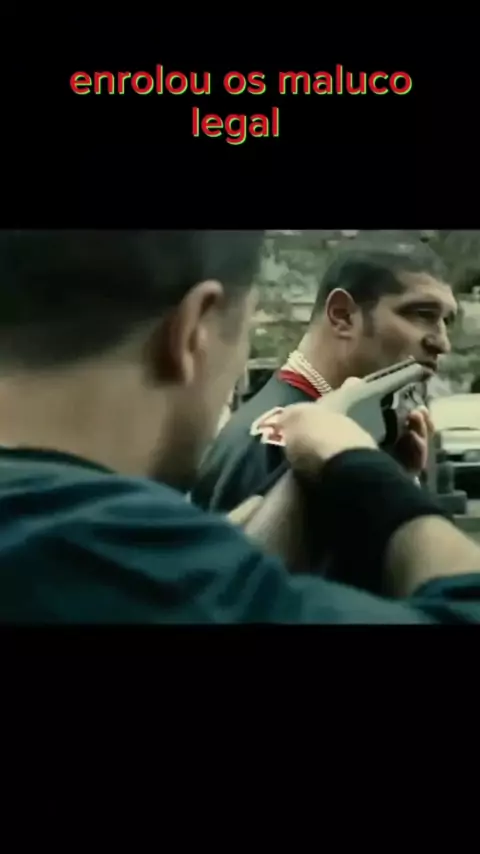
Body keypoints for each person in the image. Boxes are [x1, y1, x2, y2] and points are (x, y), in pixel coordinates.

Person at [0, 230, 479, 623]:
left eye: (447, 322)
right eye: (245, 332)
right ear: (194, 331)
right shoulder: (266, 445)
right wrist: (364, 474)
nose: (440, 342)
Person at [192, 246, 457, 513]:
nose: (442, 343)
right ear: (342, 315)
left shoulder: (362, 431)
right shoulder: (274, 442)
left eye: (447, 321)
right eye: (423, 314)